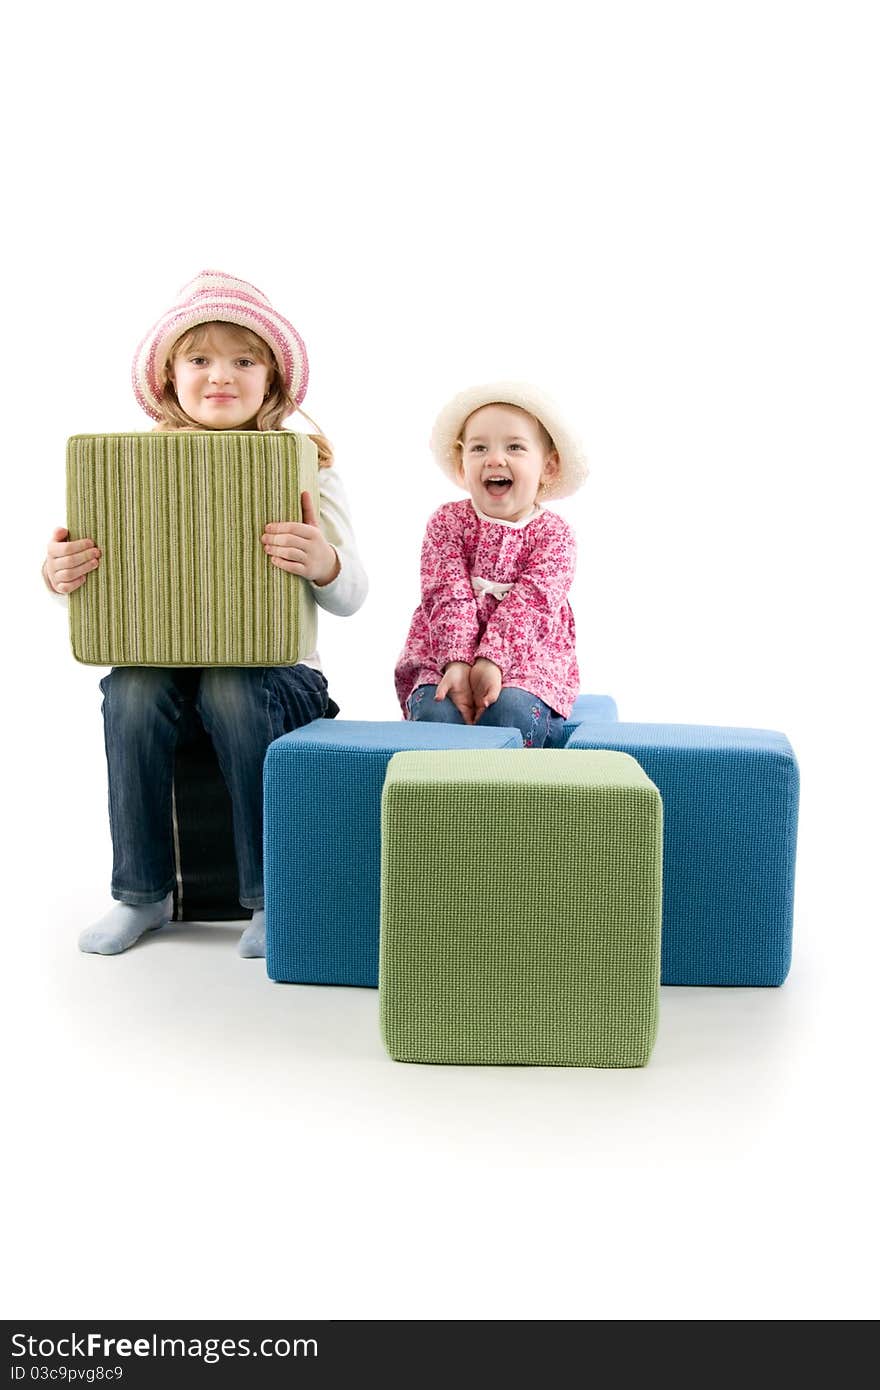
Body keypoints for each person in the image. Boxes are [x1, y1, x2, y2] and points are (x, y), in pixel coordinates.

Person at [43, 271, 367, 958]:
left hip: (277, 678)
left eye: (244, 360)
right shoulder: (130, 467)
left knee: (231, 679)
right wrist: (58, 573)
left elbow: (353, 593)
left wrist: (323, 562)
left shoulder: (305, 467)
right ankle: (142, 894)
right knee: (130, 688)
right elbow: (92, 568)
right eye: (200, 359)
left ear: (273, 382)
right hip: (166, 665)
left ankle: (270, 896)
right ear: (168, 379)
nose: (221, 375)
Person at [395, 383, 588, 748]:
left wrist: (493, 661)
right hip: (444, 657)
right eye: (479, 448)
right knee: (438, 714)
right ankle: (438, 799)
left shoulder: (555, 536)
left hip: (528, 663)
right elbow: (445, 593)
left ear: (548, 465)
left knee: (511, 712)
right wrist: (457, 662)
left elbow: (532, 604)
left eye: (514, 447)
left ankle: (508, 798)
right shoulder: (447, 523)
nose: (495, 459)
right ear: (461, 463)